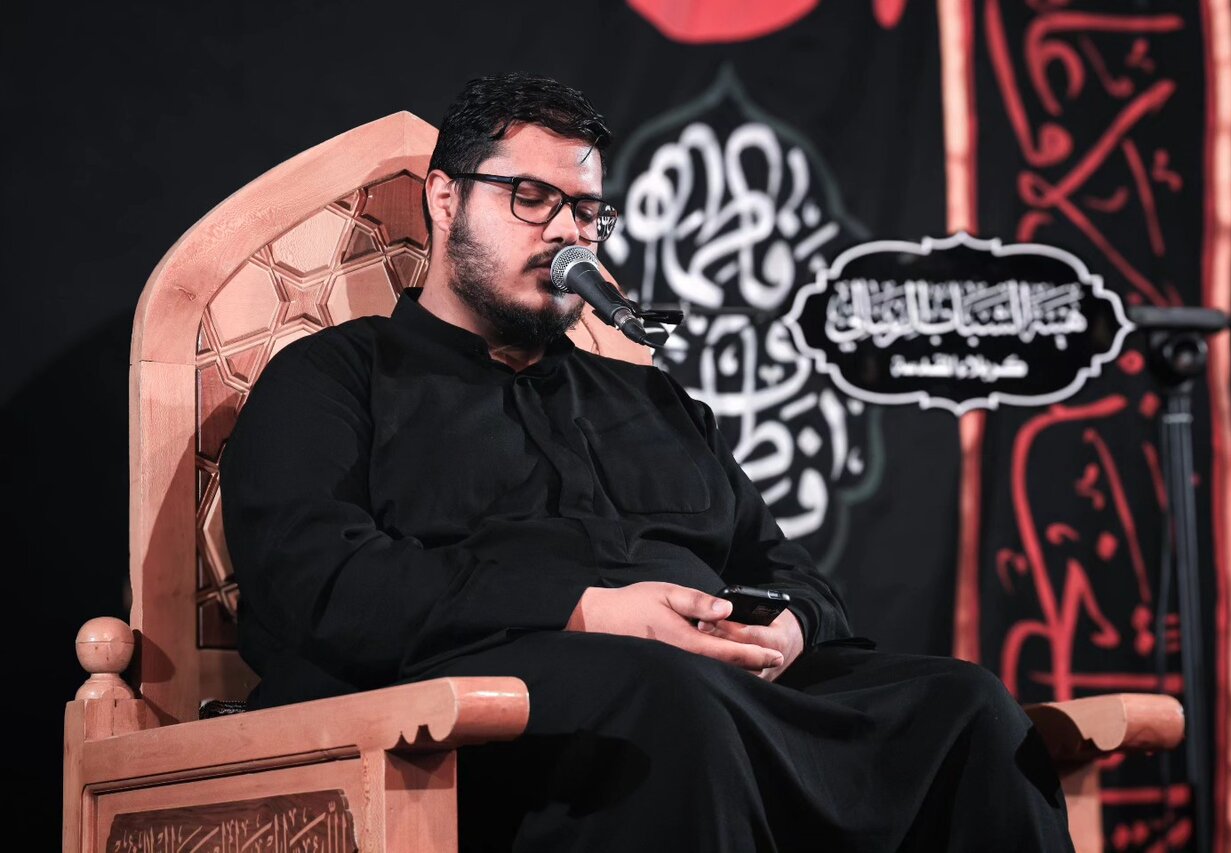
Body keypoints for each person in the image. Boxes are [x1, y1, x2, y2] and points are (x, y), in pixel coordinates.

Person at [220, 72, 1073, 851]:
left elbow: (789, 573)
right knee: (667, 699)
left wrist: (789, 626)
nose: (567, 231)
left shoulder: (649, 396)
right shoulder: (336, 377)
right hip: (488, 722)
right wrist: (586, 610)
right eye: (531, 198)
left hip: (710, 697)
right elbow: (321, 582)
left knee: (966, 708)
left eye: (587, 211)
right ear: (446, 197)